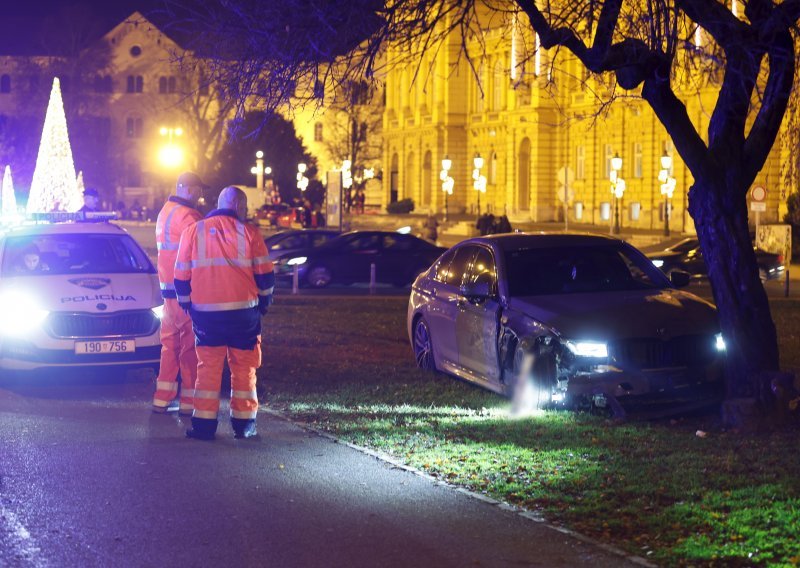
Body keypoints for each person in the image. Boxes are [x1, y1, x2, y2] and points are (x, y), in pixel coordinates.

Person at [174, 186, 274, 440]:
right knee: (244, 369)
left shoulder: (192, 232)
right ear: (239, 206)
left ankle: (204, 426)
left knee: (207, 368)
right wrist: (264, 303)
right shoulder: (250, 233)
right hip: (244, 315)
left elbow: (180, 276)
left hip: (206, 316)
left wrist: (187, 303)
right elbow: (265, 276)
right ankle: (244, 426)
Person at [151, 172, 206, 415]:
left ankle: (162, 398)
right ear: (189, 189)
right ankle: (189, 402)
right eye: (198, 189)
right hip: (186, 292)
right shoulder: (190, 216)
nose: (201, 194)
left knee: (169, 345)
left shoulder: (165, 212)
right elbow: (200, 253)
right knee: (189, 348)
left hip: (167, 293)